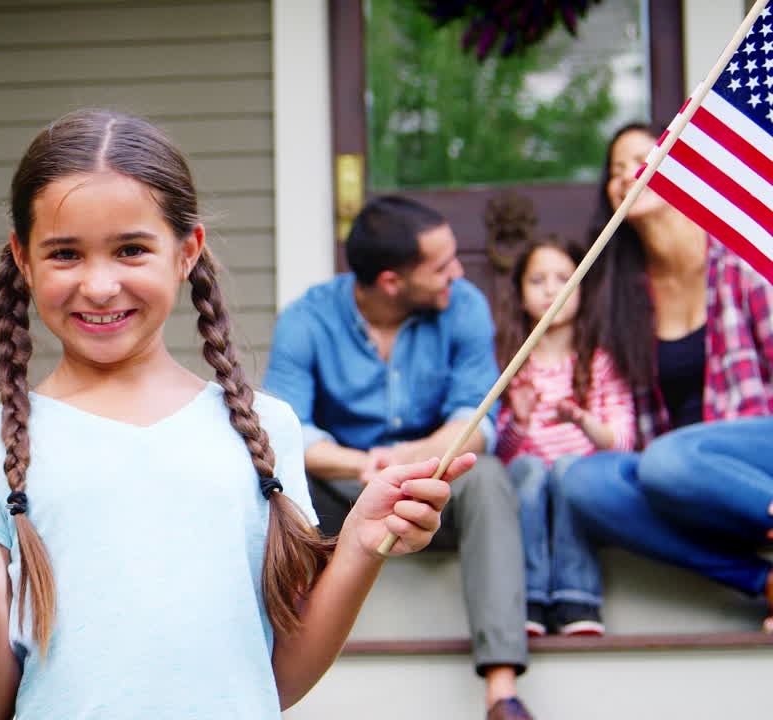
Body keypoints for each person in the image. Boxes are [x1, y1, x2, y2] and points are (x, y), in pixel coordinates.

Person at [0, 110, 474, 719]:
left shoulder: (266, 430)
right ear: (23, 261)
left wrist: (362, 547)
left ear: (187, 252)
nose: (101, 285)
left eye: (131, 249)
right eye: (65, 254)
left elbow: (276, 681)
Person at [263, 195, 534, 720]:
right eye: (441, 266)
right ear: (392, 281)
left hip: (438, 478)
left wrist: (403, 459)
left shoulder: (465, 305)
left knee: (490, 476)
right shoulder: (307, 318)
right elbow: (286, 432)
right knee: (277, 481)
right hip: (342, 493)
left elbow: (473, 425)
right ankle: (278, 659)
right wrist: (362, 465)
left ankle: (502, 691)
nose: (457, 271)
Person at [556, 122, 773, 634]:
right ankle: (764, 582)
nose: (624, 176)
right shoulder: (624, 298)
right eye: (614, 170)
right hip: (682, 475)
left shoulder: (739, 260)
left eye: (639, 159)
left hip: (756, 450)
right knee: (580, 478)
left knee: (669, 458)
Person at [494, 239, 636, 637]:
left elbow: (623, 443)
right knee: (530, 468)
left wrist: (582, 420)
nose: (550, 290)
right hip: (529, 487)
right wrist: (518, 420)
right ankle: (530, 599)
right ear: (520, 295)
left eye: (564, 279)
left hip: (582, 482)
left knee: (571, 470)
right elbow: (499, 456)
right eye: (537, 280)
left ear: (582, 292)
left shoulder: (600, 362)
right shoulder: (511, 363)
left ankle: (578, 596)